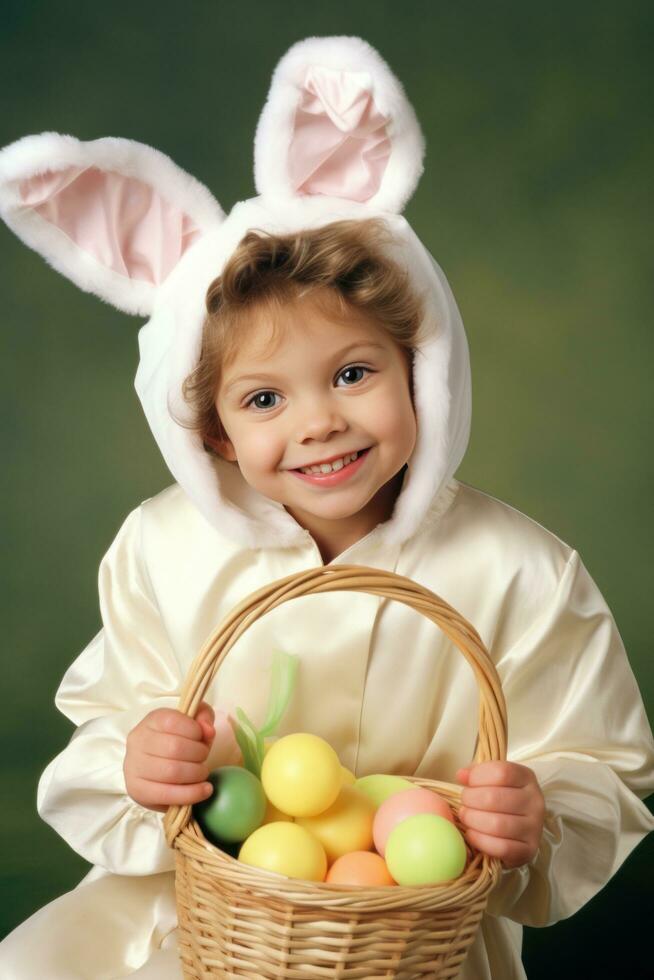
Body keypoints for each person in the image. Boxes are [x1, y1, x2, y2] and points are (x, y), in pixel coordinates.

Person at [0, 33, 652, 980]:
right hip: (195, 917)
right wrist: (139, 766)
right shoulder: (161, 548)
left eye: (353, 373)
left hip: (408, 939)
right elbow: (110, 713)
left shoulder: (520, 570)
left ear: (420, 371)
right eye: (265, 399)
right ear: (212, 432)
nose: (319, 424)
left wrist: (537, 812)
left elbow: (605, 763)